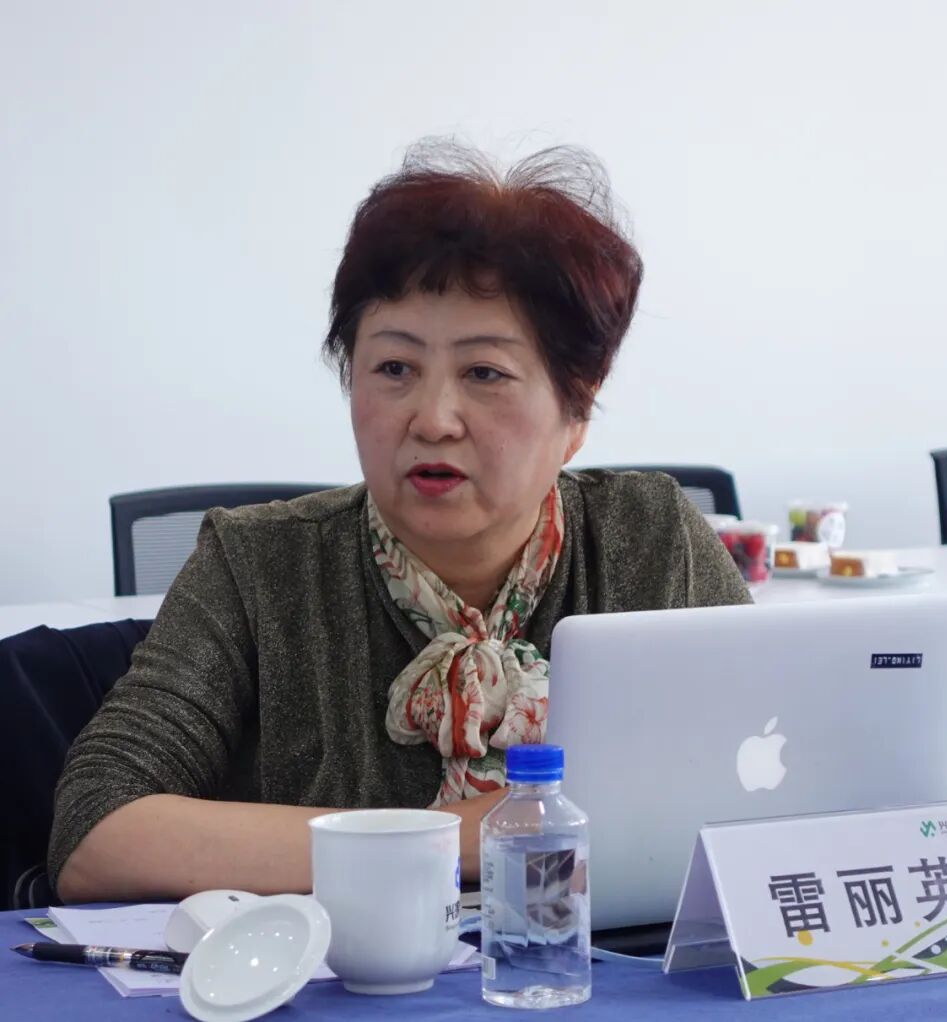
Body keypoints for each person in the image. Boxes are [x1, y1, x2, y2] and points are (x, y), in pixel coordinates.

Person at [50, 141, 751, 903]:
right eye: (394, 369)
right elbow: (98, 835)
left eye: (484, 373)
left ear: (576, 408)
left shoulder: (651, 539)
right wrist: (478, 834)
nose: (433, 418)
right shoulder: (258, 564)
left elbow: (775, 789)